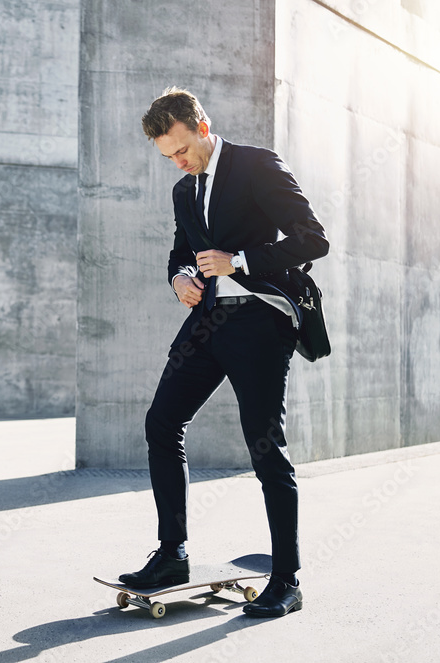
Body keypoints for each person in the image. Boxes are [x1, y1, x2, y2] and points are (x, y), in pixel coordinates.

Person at [117, 87, 329, 618]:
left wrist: (240, 260)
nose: (178, 162)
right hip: (208, 320)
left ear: (202, 126)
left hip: (260, 320)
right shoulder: (183, 192)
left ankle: (287, 579)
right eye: (168, 156)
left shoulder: (256, 166)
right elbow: (180, 250)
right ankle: (172, 555)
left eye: (182, 150)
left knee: (264, 447)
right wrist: (179, 278)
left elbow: (313, 238)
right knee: (162, 423)